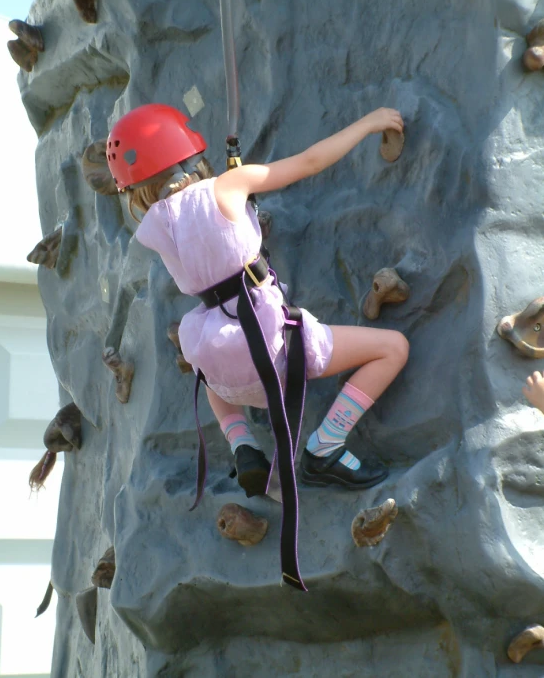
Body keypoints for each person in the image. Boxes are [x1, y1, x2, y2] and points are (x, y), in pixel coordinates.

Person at [106, 103, 409, 499]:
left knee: (208, 358)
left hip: (224, 367)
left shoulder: (156, 227)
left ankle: (242, 444)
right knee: (393, 349)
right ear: (188, 151)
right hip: (274, 354)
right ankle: (326, 446)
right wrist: (370, 122)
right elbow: (310, 161)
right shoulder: (229, 185)